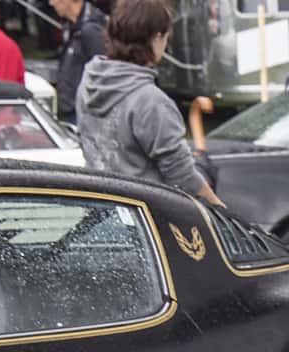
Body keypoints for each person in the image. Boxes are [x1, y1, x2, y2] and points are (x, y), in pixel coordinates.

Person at [77, 0, 223, 203]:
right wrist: (218, 207)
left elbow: (86, 143)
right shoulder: (150, 100)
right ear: (156, 37)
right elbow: (180, 172)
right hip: (145, 216)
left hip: (100, 205)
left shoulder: (88, 81)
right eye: (166, 37)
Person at [52, 0, 106, 120]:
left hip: (83, 115)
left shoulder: (91, 30)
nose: (52, 3)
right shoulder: (71, 27)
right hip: (72, 110)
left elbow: (104, 74)